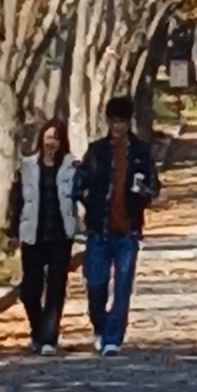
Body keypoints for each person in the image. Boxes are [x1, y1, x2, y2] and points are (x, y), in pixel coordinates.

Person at [73, 91, 160, 349]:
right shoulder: (97, 151)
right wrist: (89, 203)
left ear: (128, 122)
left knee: (122, 286)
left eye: (122, 121)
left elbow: (154, 187)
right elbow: (80, 184)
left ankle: (113, 339)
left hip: (127, 231)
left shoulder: (141, 152)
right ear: (108, 122)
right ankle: (100, 327)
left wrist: (143, 191)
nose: (117, 126)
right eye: (113, 121)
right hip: (98, 230)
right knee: (95, 283)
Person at [9, 112, 75, 349]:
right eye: (48, 137)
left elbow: (82, 194)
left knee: (56, 288)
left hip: (60, 235)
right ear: (41, 139)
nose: (51, 143)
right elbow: (17, 200)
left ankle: (48, 338)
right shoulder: (27, 166)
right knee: (29, 289)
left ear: (62, 141)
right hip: (33, 234)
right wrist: (13, 232)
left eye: (56, 138)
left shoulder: (71, 166)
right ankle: (38, 330)